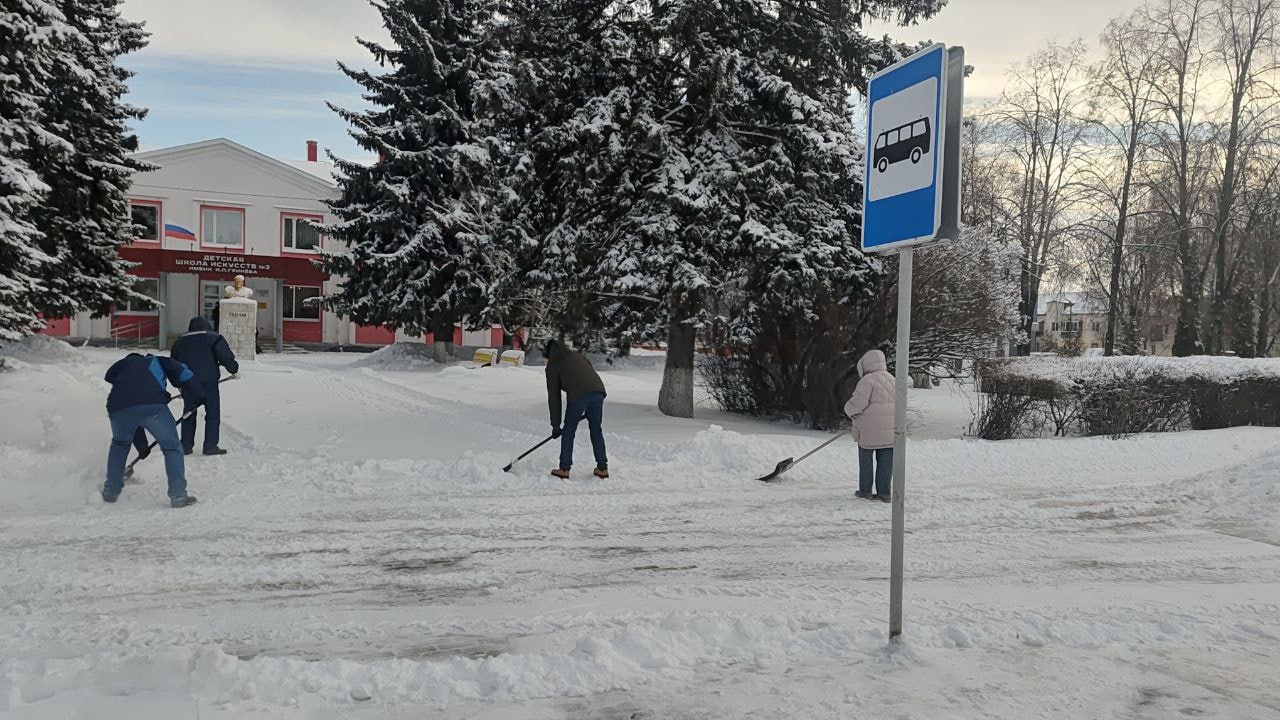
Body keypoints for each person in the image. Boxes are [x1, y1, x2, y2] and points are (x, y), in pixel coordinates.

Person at [103, 352, 205, 507]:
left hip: (118, 409)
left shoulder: (122, 369)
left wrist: (142, 448)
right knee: (172, 447)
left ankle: (111, 491)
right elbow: (183, 373)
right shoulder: (156, 360)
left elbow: (134, 417)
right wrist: (199, 395)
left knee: (120, 444)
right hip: (153, 407)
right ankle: (178, 495)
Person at [171, 316, 239, 456]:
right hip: (209, 382)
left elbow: (173, 365)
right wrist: (233, 368)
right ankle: (210, 445)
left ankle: (185, 445)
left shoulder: (180, 341)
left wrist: (178, 383)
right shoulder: (213, 338)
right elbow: (225, 356)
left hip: (189, 383)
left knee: (189, 413)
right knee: (212, 413)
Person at [544, 339, 608, 479]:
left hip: (579, 396)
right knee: (596, 429)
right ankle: (602, 468)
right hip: (598, 392)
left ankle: (564, 468)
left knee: (568, 431)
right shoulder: (577, 355)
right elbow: (587, 374)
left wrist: (556, 426)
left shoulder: (553, 366)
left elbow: (554, 398)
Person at [844, 349, 895, 503]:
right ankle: (884, 493)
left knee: (866, 461)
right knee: (886, 462)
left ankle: (865, 491)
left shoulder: (867, 380)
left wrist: (849, 410)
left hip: (868, 431)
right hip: (890, 431)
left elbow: (858, 403)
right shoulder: (893, 379)